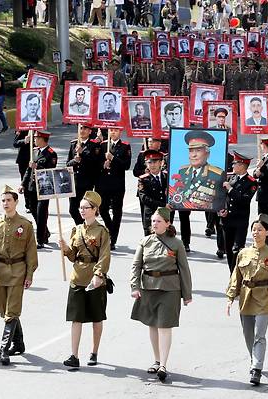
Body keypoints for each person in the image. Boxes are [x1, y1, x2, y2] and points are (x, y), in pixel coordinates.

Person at [131, 207, 193, 382]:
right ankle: (157, 360)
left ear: (167, 223)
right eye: (153, 221)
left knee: (164, 326)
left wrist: (187, 294)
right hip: (149, 288)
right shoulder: (145, 242)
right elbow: (136, 266)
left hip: (170, 289)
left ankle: (164, 365)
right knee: (152, 325)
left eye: (158, 221)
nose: (155, 224)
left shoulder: (176, 243)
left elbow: (184, 270)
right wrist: (134, 287)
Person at [226, 214, 268, 386]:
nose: (256, 233)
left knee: (260, 334)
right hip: (246, 296)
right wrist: (231, 297)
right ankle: (255, 358)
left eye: (260, 230)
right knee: (248, 334)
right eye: (254, 230)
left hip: (265, 297)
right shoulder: (243, 253)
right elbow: (236, 276)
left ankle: (256, 369)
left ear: (267, 233)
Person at [0, 185, 38, 366]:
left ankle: (3, 349)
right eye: (3, 200)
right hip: (0, 271)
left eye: (9, 200)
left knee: (11, 310)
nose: (5, 203)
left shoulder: (25, 225)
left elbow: (31, 252)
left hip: (18, 270)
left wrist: (29, 274)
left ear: (16, 202)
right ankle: (19, 342)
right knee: (3, 310)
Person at [60, 191, 111, 369]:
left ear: (95, 209)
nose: (82, 210)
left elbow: (104, 256)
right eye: (80, 207)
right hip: (77, 278)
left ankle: (94, 351)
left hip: (94, 280)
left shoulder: (102, 231)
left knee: (97, 318)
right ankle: (74, 355)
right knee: (76, 318)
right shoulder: (77, 230)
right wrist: (66, 249)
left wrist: (98, 275)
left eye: (86, 208)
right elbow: (74, 257)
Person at [219, 152, 257, 272]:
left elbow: (244, 200)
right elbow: (223, 197)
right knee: (229, 249)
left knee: (238, 249)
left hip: (240, 220)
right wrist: (221, 210)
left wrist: (230, 189)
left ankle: (237, 275)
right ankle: (232, 274)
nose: (233, 166)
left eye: (235, 163)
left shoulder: (251, 182)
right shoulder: (231, 178)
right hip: (227, 220)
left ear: (242, 165)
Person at [20, 131, 57, 248]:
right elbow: (28, 170)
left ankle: (40, 239)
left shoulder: (51, 153)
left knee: (41, 213)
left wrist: (38, 166)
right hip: (32, 186)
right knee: (33, 209)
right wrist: (23, 184)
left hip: (44, 187)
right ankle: (45, 231)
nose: (34, 140)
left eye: (36, 138)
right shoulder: (34, 151)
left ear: (42, 139)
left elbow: (51, 169)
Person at [172, 130, 226, 211]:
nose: (194, 155)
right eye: (191, 151)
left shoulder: (217, 174)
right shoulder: (182, 171)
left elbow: (220, 201)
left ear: (207, 154)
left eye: (198, 150)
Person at [98, 128, 132, 251]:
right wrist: (103, 164)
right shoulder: (102, 145)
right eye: (111, 130)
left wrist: (113, 159)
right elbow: (96, 164)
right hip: (104, 184)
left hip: (117, 184)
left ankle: (113, 239)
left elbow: (126, 165)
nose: (113, 132)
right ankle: (111, 229)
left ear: (120, 132)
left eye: (116, 130)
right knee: (102, 209)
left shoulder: (125, 146)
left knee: (117, 212)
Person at [67, 124, 103, 225]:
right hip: (75, 182)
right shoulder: (74, 144)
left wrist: (83, 153)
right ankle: (81, 227)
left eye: (85, 129)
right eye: (81, 128)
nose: (82, 131)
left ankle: (84, 229)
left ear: (90, 131)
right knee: (73, 210)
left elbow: (96, 162)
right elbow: (68, 163)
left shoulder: (94, 145)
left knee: (85, 209)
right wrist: (75, 160)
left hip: (87, 182)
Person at [138, 150, 168, 236]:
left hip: (165, 214)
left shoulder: (167, 177)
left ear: (161, 163)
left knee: (165, 241)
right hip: (151, 214)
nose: (152, 165)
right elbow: (144, 198)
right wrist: (162, 205)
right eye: (149, 162)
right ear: (146, 164)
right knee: (150, 242)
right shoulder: (143, 179)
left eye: (155, 162)